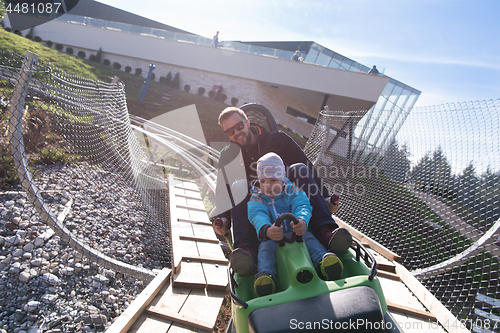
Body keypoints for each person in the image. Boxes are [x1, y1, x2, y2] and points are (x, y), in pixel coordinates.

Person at [212, 107, 352, 276]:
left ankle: (325, 232)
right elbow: (223, 189)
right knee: (239, 185)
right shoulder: (228, 155)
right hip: (257, 211)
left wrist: (325, 197)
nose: (236, 133)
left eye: (239, 126)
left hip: (289, 203)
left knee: (298, 168)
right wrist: (224, 217)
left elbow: (306, 166)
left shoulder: (278, 139)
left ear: (247, 123)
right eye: (230, 131)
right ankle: (247, 250)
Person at [248, 153, 343, 296]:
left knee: (310, 240)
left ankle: (324, 262)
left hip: (297, 232)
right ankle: (266, 276)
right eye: (263, 181)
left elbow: (303, 205)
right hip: (273, 236)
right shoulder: (257, 197)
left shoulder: (293, 191)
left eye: (273, 180)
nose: (268, 186)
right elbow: (256, 214)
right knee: (265, 249)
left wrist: (302, 220)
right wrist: (266, 229)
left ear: (282, 179)